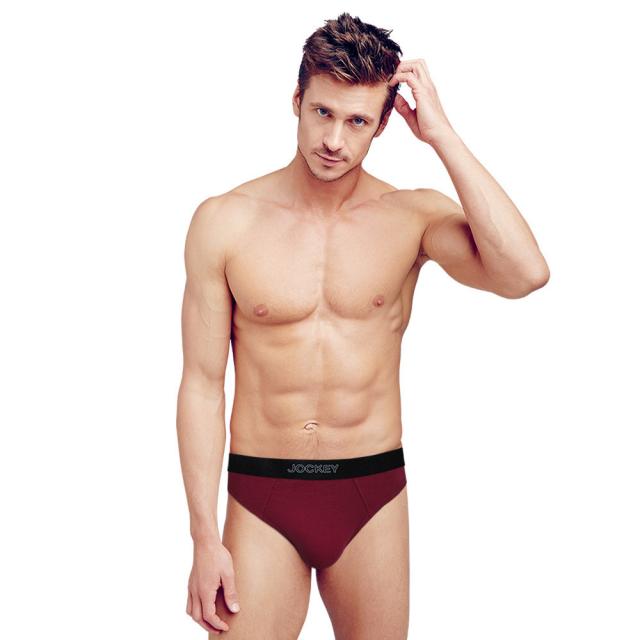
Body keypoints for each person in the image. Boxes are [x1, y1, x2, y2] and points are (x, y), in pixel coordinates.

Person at [176, 11, 550, 639]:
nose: (333, 140)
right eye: (322, 112)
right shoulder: (225, 221)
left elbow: (525, 273)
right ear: (296, 101)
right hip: (263, 491)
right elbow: (202, 385)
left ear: (382, 124)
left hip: (370, 492)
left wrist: (442, 136)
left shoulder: (411, 217)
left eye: (356, 122)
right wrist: (202, 537)